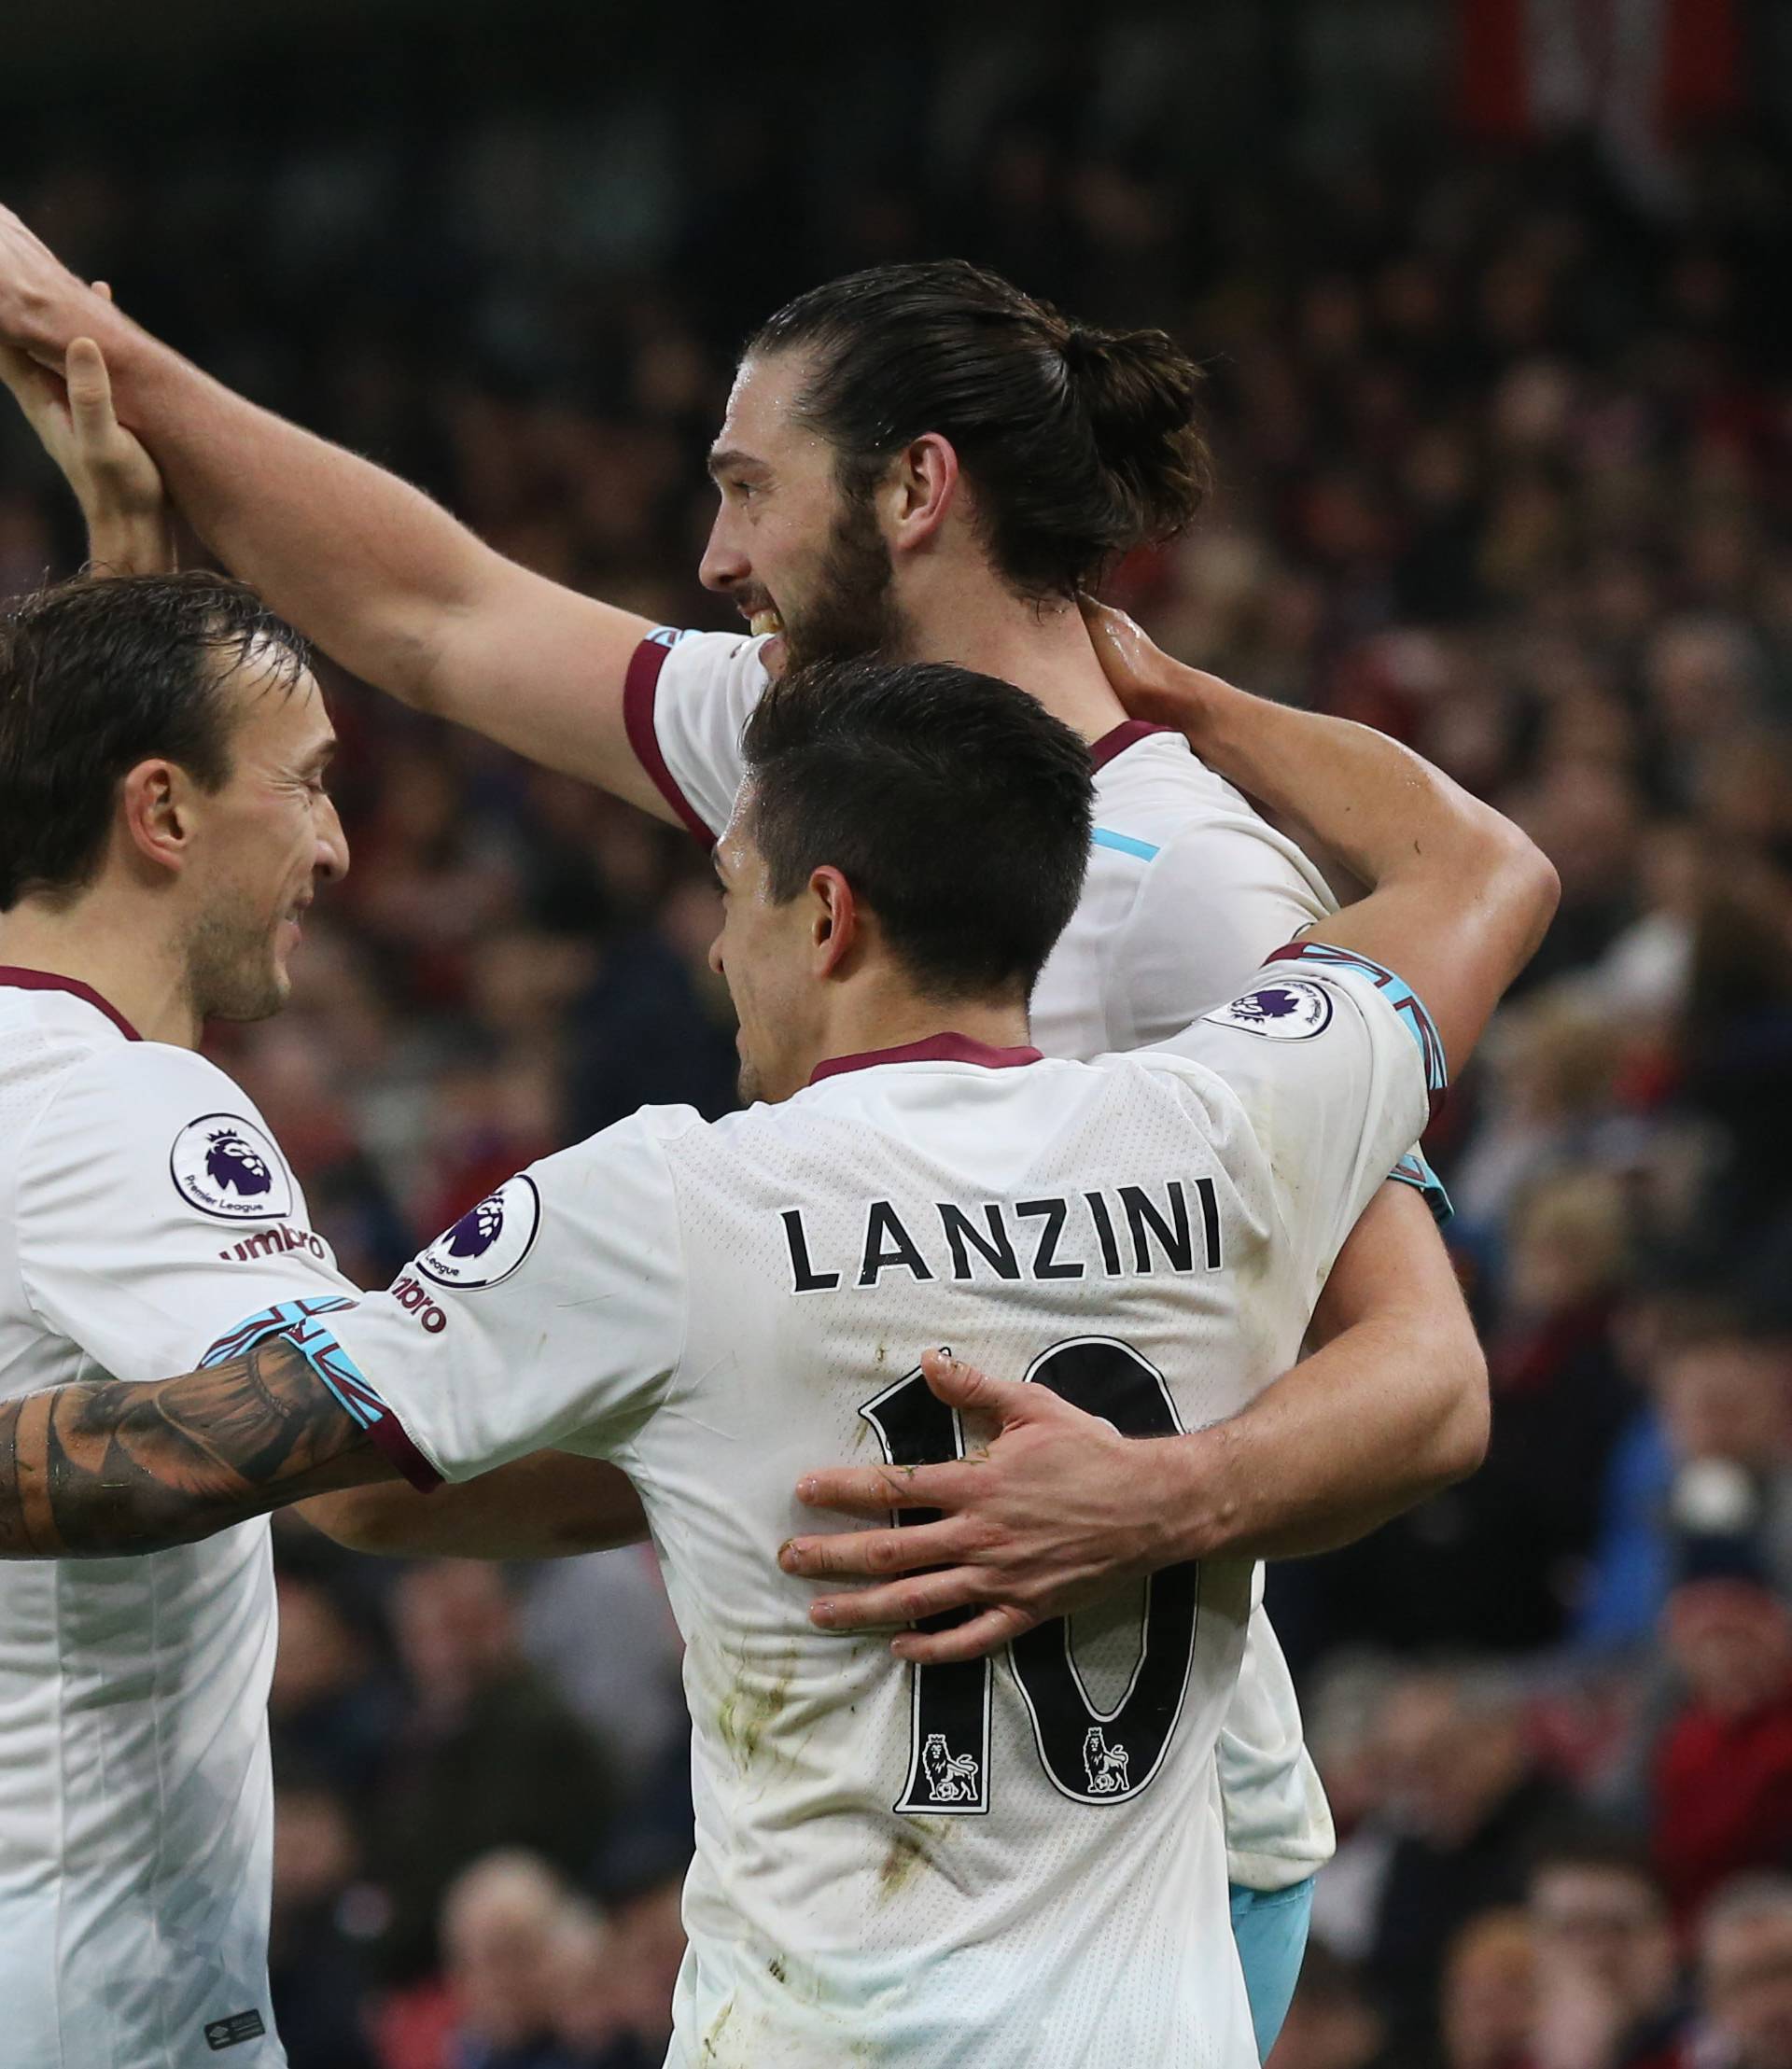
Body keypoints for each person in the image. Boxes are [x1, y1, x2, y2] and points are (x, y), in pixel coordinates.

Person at [0, 239, 1494, 2048]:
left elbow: (1426, 1375)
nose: (715, 558)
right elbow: (438, 617)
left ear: (916, 489)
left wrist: (1175, 1490)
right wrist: (107, 356)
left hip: (1125, 1837)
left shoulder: (1194, 889)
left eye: (746, 488)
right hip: (864, 1788)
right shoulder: (807, 742)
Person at [0, 570, 351, 2063]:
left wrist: (119, 557)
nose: (334, 845)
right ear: (161, 812)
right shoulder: (122, 1102)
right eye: (314, 783)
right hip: (102, 1992)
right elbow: (364, 1440)